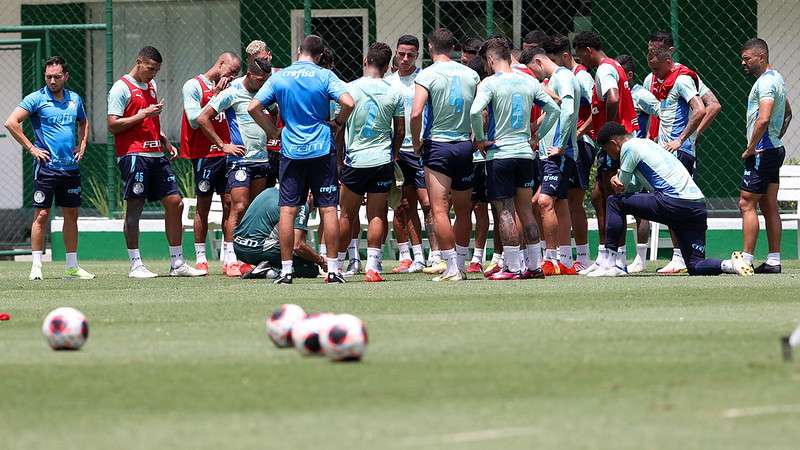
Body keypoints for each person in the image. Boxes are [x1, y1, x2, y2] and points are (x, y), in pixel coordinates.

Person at [249, 35, 355, 284]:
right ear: (318, 56)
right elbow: (349, 101)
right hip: (321, 149)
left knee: (287, 210)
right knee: (329, 209)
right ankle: (333, 270)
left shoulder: (280, 76)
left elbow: (253, 106)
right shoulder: (325, 75)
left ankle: (286, 271)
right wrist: (338, 123)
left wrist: (272, 131)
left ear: (298, 51)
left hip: (291, 151)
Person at [592, 122, 750, 277]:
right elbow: (633, 186)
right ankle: (729, 264)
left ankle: (610, 263)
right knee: (695, 265)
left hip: (672, 203)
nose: (609, 154)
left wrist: (615, 177)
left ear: (613, 143)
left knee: (614, 202)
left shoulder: (628, 147)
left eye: (607, 150)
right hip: (697, 207)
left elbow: (622, 186)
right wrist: (623, 180)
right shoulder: (646, 144)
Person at [107, 46, 204, 278]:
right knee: (135, 208)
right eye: (150, 69)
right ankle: (135, 264)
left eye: (157, 70)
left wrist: (164, 141)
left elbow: (152, 122)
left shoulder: (151, 86)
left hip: (156, 155)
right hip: (133, 155)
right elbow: (112, 125)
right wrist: (142, 114)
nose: (153, 74)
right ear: (139, 62)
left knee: (175, 203)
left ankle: (177, 263)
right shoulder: (121, 87)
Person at [470, 37, 559, 280]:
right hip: (525, 155)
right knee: (526, 211)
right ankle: (534, 266)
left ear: (490, 59)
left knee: (505, 211)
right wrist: (536, 135)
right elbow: (555, 109)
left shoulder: (489, 83)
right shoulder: (529, 80)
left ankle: (512, 267)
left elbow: (476, 111)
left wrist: (479, 139)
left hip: (500, 154)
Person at [4, 56, 94, 281]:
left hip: (70, 168)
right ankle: (36, 266)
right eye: (48, 77)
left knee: (71, 214)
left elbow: (84, 121)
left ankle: (72, 267)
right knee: (42, 214)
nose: (52, 81)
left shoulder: (74, 99)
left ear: (66, 76)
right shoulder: (36, 98)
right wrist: (32, 148)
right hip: (46, 168)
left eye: (56, 76)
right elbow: (11, 122)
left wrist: (82, 144)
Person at [646, 30, 723, 274]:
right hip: (661, 151)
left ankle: (682, 256)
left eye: (657, 50)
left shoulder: (684, 76)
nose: (652, 56)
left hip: (678, 152)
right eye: (649, 50)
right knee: (671, 201)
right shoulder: (652, 79)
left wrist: (687, 138)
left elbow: (710, 106)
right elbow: (654, 112)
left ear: (669, 53)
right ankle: (678, 256)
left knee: (679, 202)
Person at [411, 28, 480, 281]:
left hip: (438, 146)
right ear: (453, 47)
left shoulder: (427, 74)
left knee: (439, 209)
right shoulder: (471, 74)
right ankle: (460, 265)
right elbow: (480, 111)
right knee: (463, 210)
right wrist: (475, 137)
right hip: (464, 146)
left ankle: (451, 266)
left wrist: (417, 141)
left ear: (430, 47)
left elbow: (416, 112)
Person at [196, 58, 273, 277]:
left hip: (261, 160)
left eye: (265, 80)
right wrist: (223, 145)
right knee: (238, 207)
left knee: (253, 211)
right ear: (249, 75)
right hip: (240, 161)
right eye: (259, 80)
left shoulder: (265, 92)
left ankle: (250, 259)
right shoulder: (233, 91)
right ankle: (230, 259)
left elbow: (274, 113)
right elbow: (203, 118)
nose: (262, 84)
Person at [722, 38, 792, 274]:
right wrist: (776, 137)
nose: (743, 63)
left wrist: (752, 147)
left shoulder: (766, 83)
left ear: (761, 57)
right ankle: (773, 261)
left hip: (762, 151)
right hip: (772, 149)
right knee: (769, 204)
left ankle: (747, 259)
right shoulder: (777, 79)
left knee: (746, 202)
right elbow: (788, 113)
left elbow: (763, 118)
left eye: (747, 58)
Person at [336, 42, 405, 283]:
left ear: (365, 61)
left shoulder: (348, 89)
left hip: (355, 161)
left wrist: (338, 160)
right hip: (381, 160)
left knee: (345, 215)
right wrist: (393, 154)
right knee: (376, 214)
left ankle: (336, 267)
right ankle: (373, 267)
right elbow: (400, 132)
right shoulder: (394, 91)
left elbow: (338, 128)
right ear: (387, 67)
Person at [573, 31, 639, 275]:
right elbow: (601, 107)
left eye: (581, 55)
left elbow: (612, 98)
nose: (581, 61)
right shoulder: (612, 67)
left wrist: (607, 131)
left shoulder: (603, 70)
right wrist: (584, 130)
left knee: (612, 199)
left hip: (615, 143)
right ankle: (605, 256)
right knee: (599, 197)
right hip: (613, 141)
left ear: (588, 50)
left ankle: (618, 260)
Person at [180, 52, 241, 275]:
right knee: (203, 206)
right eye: (232, 71)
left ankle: (229, 258)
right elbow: (195, 122)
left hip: (227, 153)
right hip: (204, 155)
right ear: (221, 63)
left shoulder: (232, 88)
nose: (233, 77)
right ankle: (201, 258)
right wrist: (216, 95)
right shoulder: (193, 86)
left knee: (229, 204)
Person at [526, 44, 582, 276]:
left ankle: (550, 259)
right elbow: (553, 113)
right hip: (549, 152)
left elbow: (568, 111)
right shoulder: (556, 80)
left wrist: (560, 145)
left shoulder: (564, 77)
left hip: (559, 153)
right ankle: (566, 262)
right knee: (558, 202)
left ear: (539, 62)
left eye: (533, 70)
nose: (536, 76)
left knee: (544, 202)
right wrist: (536, 134)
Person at [546, 34, 596, 271]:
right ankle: (563, 254)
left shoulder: (580, 77)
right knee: (562, 199)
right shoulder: (562, 77)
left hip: (580, 143)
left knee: (573, 200)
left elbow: (594, 110)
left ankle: (583, 256)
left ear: (564, 56)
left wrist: (577, 133)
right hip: (566, 141)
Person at [386, 35, 433, 274]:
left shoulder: (424, 78)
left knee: (428, 204)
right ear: (396, 52)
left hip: (421, 148)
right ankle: (411, 256)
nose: (405, 59)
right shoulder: (388, 82)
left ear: (418, 55)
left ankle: (436, 255)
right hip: (396, 151)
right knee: (403, 204)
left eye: (411, 55)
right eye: (401, 54)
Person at [616, 54, 660, 273]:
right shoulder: (618, 94)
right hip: (623, 156)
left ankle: (641, 258)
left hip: (638, 158)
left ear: (630, 75)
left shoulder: (641, 95)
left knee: (639, 207)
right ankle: (619, 256)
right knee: (620, 203)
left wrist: (655, 140)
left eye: (621, 74)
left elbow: (661, 111)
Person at [234, 188, 325, 280]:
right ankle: (267, 272)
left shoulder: (269, 190)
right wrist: (321, 260)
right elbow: (298, 246)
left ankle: (263, 268)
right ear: (309, 194)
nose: (315, 207)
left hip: (238, 247)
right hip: (258, 249)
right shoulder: (301, 204)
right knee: (310, 268)